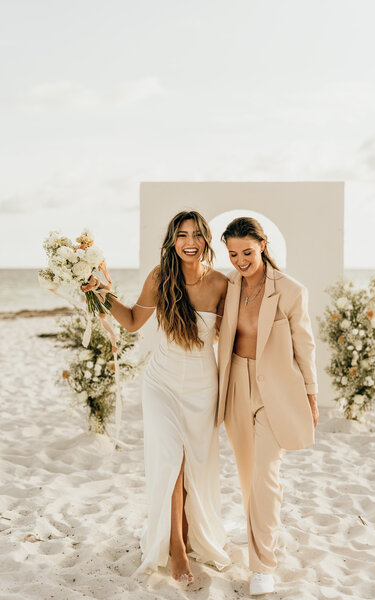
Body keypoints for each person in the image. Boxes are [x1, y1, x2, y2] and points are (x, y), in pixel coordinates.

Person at [82, 211, 230, 583]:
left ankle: (185, 536)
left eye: (196, 234)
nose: (189, 241)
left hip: (202, 387)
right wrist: (103, 294)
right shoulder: (160, 277)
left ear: (206, 239)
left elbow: (231, 340)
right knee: (170, 460)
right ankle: (176, 549)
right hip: (161, 382)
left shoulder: (221, 284)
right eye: (182, 235)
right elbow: (132, 321)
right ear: (172, 241)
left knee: (193, 465)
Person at [217, 217, 319, 596]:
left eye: (247, 251)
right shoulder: (226, 286)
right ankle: (258, 531)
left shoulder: (291, 291)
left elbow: (305, 347)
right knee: (247, 474)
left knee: (265, 475)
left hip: (277, 392)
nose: (240, 260)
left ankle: (263, 565)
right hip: (235, 387)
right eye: (232, 254)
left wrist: (311, 396)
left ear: (262, 244)